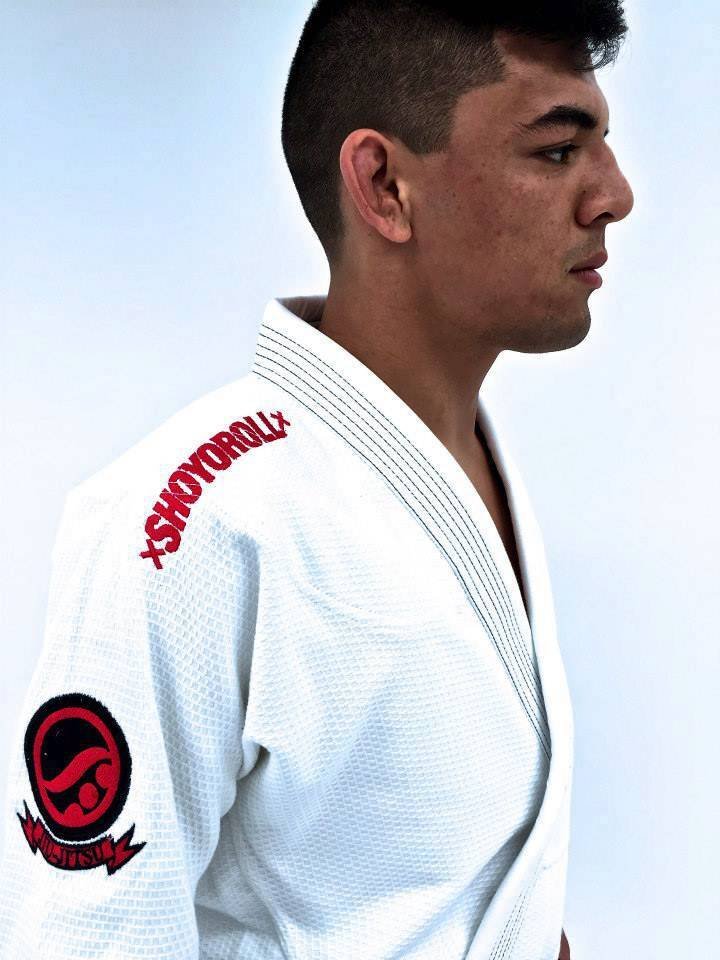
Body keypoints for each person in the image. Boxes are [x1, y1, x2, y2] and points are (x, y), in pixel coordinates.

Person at [0, 2, 634, 958]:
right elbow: (85, 938)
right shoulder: (190, 525)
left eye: (603, 146)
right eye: (556, 151)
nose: (615, 194)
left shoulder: (461, 465)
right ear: (383, 185)